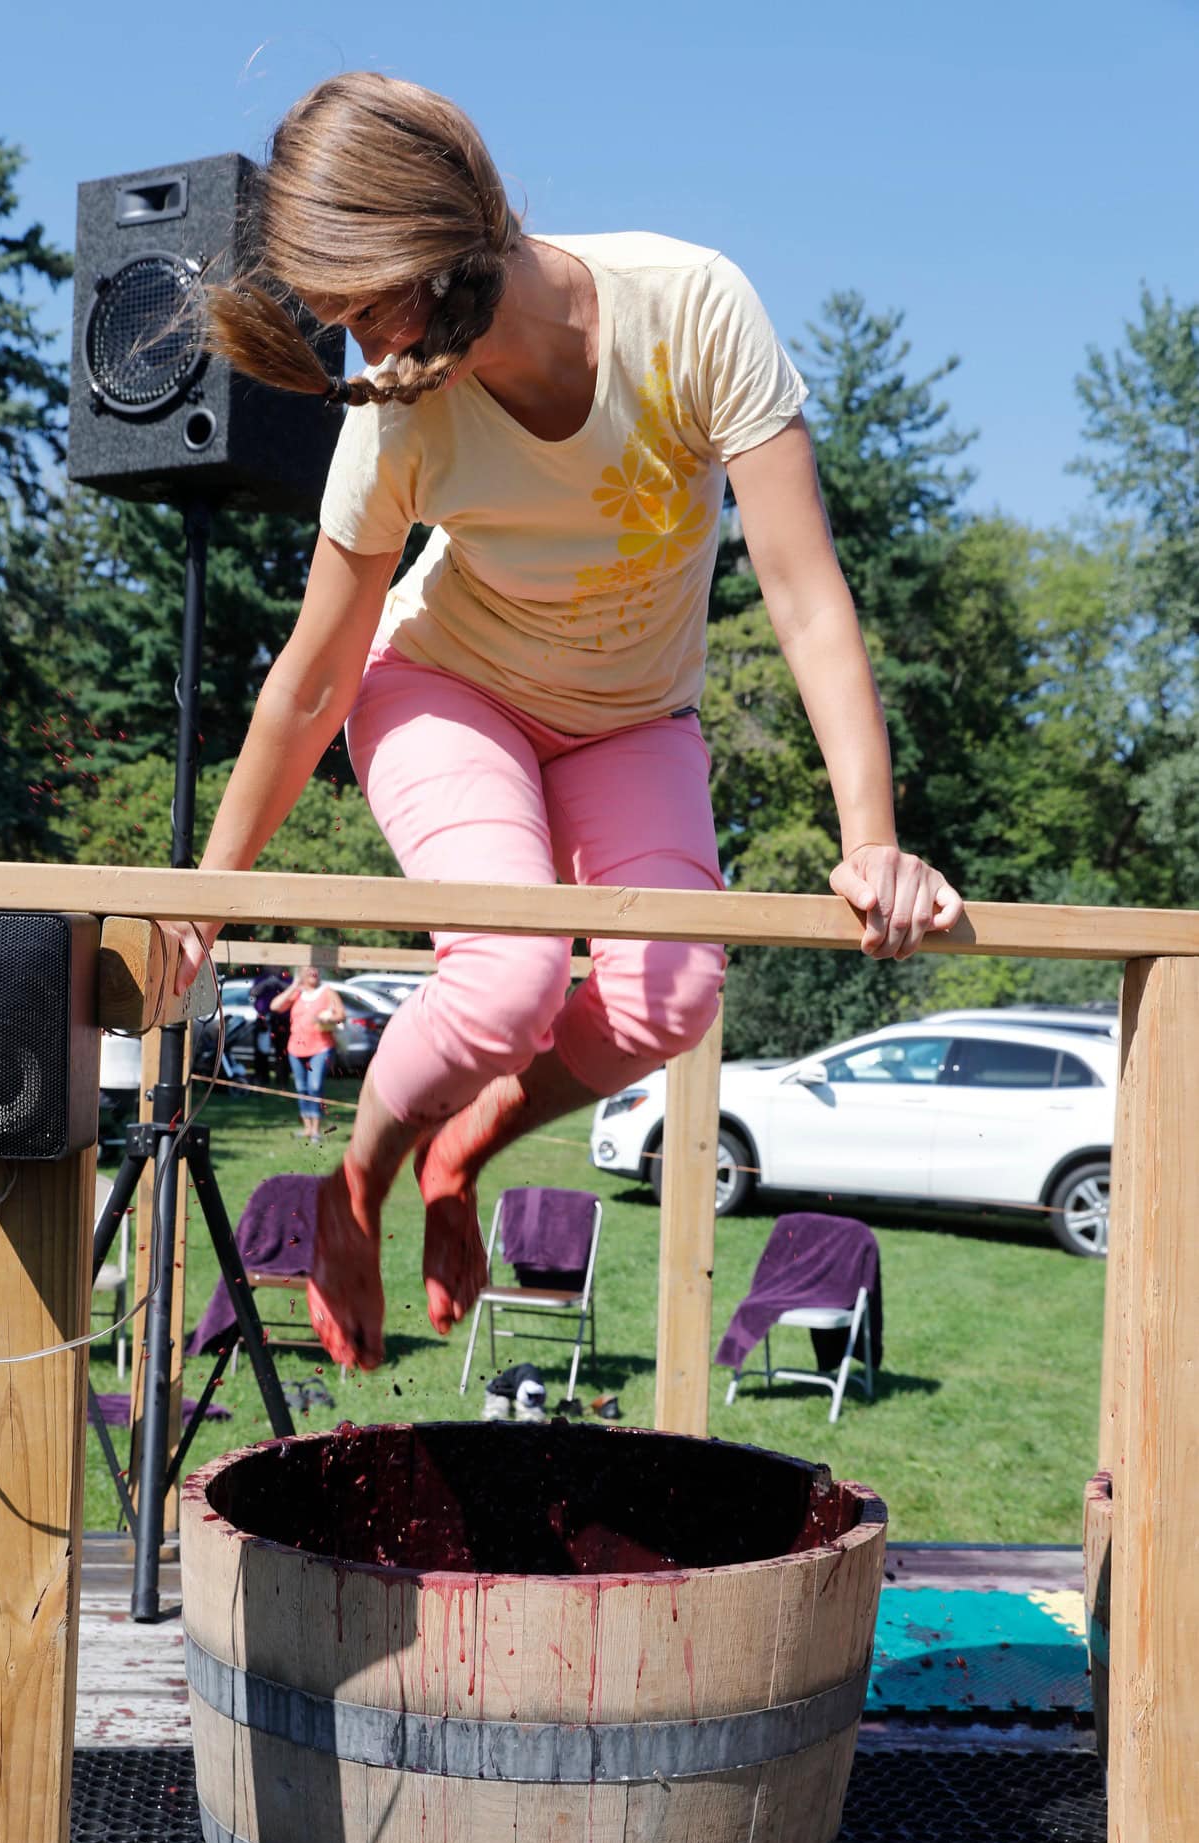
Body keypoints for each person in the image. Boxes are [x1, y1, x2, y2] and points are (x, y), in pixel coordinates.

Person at [169, 72, 964, 1370]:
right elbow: (313, 677)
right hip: (450, 690)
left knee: (675, 996)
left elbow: (805, 594)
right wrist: (206, 892)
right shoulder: (399, 421)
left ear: (442, 237)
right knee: (510, 973)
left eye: (372, 311)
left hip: (632, 719)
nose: (369, 356)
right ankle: (356, 1183)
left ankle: (466, 1139)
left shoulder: (691, 309)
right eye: (342, 327)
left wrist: (872, 840)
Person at [270, 966, 346, 1142]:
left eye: (315, 970)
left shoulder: (327, 992)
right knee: (301, 1088)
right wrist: (294, 985)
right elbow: (275, 1006)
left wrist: (327, 1018)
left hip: (321, 1046)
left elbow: (341, 1014)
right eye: (308, 970)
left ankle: (316, 1130)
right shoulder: (297, 994)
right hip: (295, 1048)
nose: (313, 972)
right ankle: (307, 1128)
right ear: (300, 974)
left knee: (314, 1086)